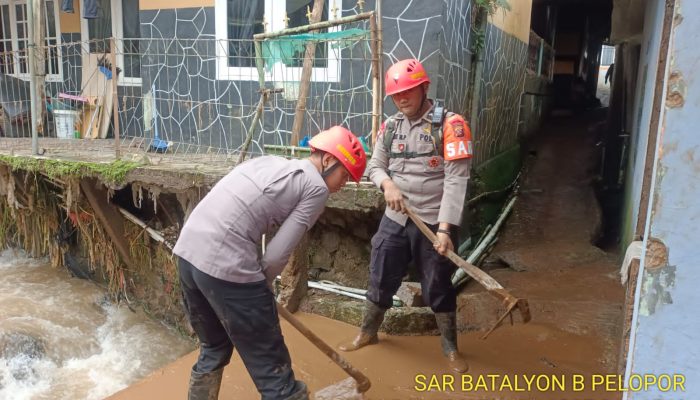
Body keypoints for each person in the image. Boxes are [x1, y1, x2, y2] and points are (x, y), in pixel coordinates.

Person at [173, 126, 367, 400]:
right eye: (344, 175)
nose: (343, 184)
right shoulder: (316, 188)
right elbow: (277, 253)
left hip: (188, 254)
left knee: (214, 347)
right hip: (226, 263)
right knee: (277, 380)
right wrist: (258, 290)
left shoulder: (268, 162)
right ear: (327, 160)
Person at [338, 59, 473, 373]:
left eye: (409, 91)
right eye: (396, 94)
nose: (402, 98)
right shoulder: (390, 127)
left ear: (424, 87)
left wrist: (444, 229)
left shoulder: (451, 125)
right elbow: (375, 166)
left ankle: (450, 347)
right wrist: (387, 185)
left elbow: (456, 179)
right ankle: (367, 333)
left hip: (434, 221)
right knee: (380, 272)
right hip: (396, 217)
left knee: (438, 283)